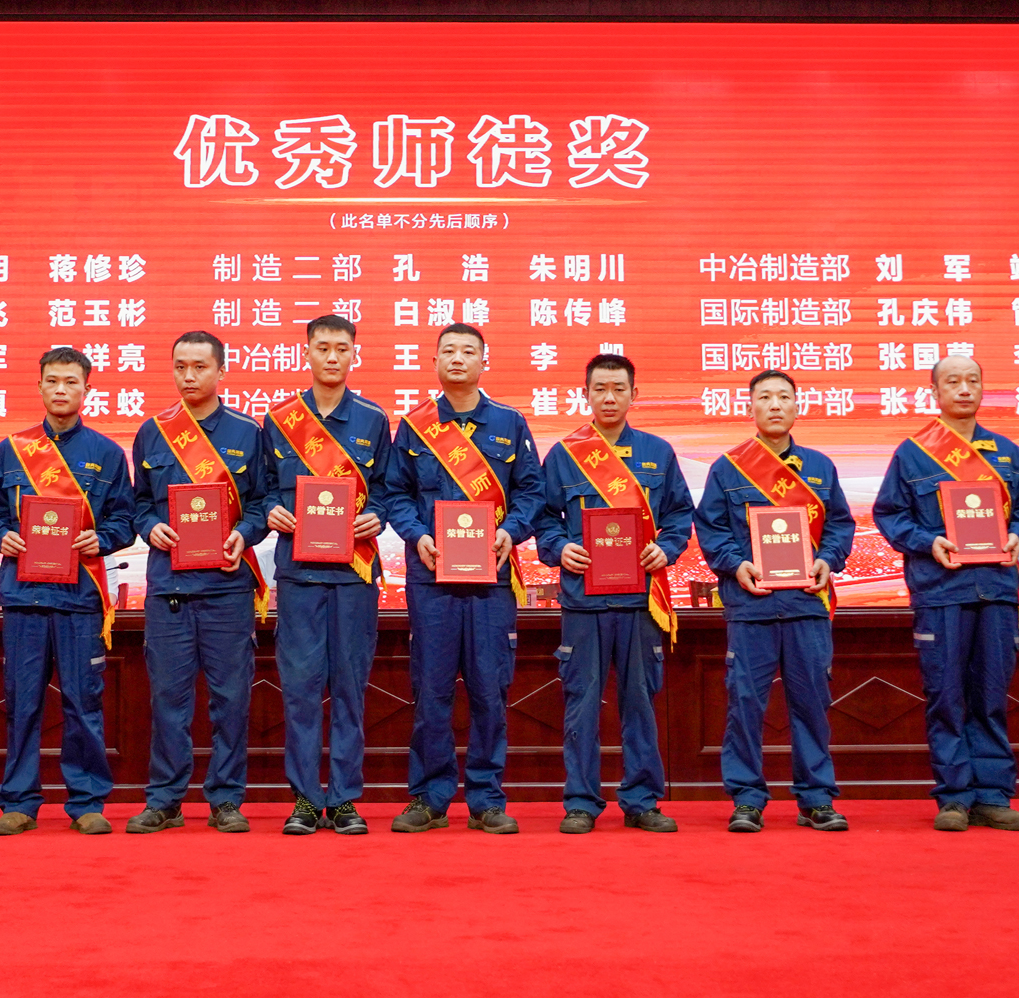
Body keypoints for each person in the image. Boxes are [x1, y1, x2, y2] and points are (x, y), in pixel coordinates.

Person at [872, 355, 1019, 832]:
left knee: (990, 697)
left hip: (997, 590)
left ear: (983, 387)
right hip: (940, 591)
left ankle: (992, 796)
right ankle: (953, 797)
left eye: (972, 380)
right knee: (946, 696)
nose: (964, 388)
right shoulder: (913, 454)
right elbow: (890, 515)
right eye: (953, 381)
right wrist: (929, 542)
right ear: (935, 392)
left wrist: (1018, 535)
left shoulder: (1007, 453)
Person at [386, 323, 543, 835]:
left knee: (489, 690)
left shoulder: (510, 423)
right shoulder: (414, 426)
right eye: (448, 351)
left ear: (484, 361)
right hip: (431, 578)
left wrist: (511, 531)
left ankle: (486, 799)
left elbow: (532, 493)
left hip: (491, 581)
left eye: (468, 351)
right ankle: (429, 798)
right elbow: (396, 494)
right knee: (430, 690)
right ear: (434, 361)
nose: (457, 358)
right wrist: (416, 535)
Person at [0, 348, 135, 837]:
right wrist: (1, 535)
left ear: (87, 389)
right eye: (52, 380)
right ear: (40, 386)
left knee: (83, 703)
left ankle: (87, 801)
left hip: (80, 599)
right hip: (24, 596)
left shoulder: (107, 454)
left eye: (71, 381)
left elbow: (125, 519)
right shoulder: (12, 450)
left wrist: (101, 538)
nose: (61, 389)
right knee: (22, 703)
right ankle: (19, 803)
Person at [536, 354, 694, 834]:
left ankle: (642, 800)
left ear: (633, 395)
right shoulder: (564, 454)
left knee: (640, 702)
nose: (609, 397)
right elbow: (543, 517)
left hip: (640, 600)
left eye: (618, 389)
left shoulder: (657, 453)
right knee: (581, 702)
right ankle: (581, 802)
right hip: (583, 601)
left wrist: (667, 549)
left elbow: (680, 515)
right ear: (585, 394)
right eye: (600, 389)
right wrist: (559, 547)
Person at [694, 369, 855, 834]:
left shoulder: (820, 467)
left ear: (797, 406)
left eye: (784, 396)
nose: (775, 405)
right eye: (765, 397)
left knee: (811, 704)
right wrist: (735, 564)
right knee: (745, 705)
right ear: (751, 407)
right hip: (752, 606)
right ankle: (747, 799)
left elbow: (840, 524)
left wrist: (828, 559)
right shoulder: (728, 468)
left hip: (806, 604)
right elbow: (711, 528)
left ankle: (816, 799)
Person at [126, 331, 270, 834]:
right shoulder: (153, 432)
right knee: (168, 700)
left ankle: (226, 799)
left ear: (221, 371)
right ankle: (165, 799)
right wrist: (150, 526)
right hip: (169, 588)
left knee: (231, 700)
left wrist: (243, 533)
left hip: (227, 588)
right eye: (180, 367)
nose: (189, 376)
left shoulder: (248, 432)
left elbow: (262, 503)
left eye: (200, 367)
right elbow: (137, 504)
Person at [260, 315, 393, 835]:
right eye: (322, 347)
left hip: (354, 574)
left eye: (341, 348)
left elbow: (388, 488)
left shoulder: (373, 420)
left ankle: (343, 799)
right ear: (307, 353)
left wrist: (376, 514)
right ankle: (304, 799)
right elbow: (262, 490)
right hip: (298, 575)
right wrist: (270, 510)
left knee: (350, 689)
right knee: (299, 690)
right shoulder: (280, 419)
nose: (332, 357)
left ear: (354, 354)